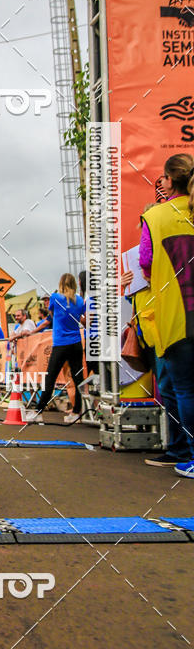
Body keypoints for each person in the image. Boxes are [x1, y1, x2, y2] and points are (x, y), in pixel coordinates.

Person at [138, 154, 194, 477]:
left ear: (169, 181)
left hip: (177, 316)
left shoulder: (156, 216)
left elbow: (145, 262)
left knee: (185, 389)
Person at [34, 274, 85, 421]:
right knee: (78, 379)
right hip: (76, 342)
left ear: (61, 284)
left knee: (50, 378)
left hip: (61, 343)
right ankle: (77, 412)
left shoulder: (55, 298)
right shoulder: (80, 300)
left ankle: (38, 411)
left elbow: (51, 313)